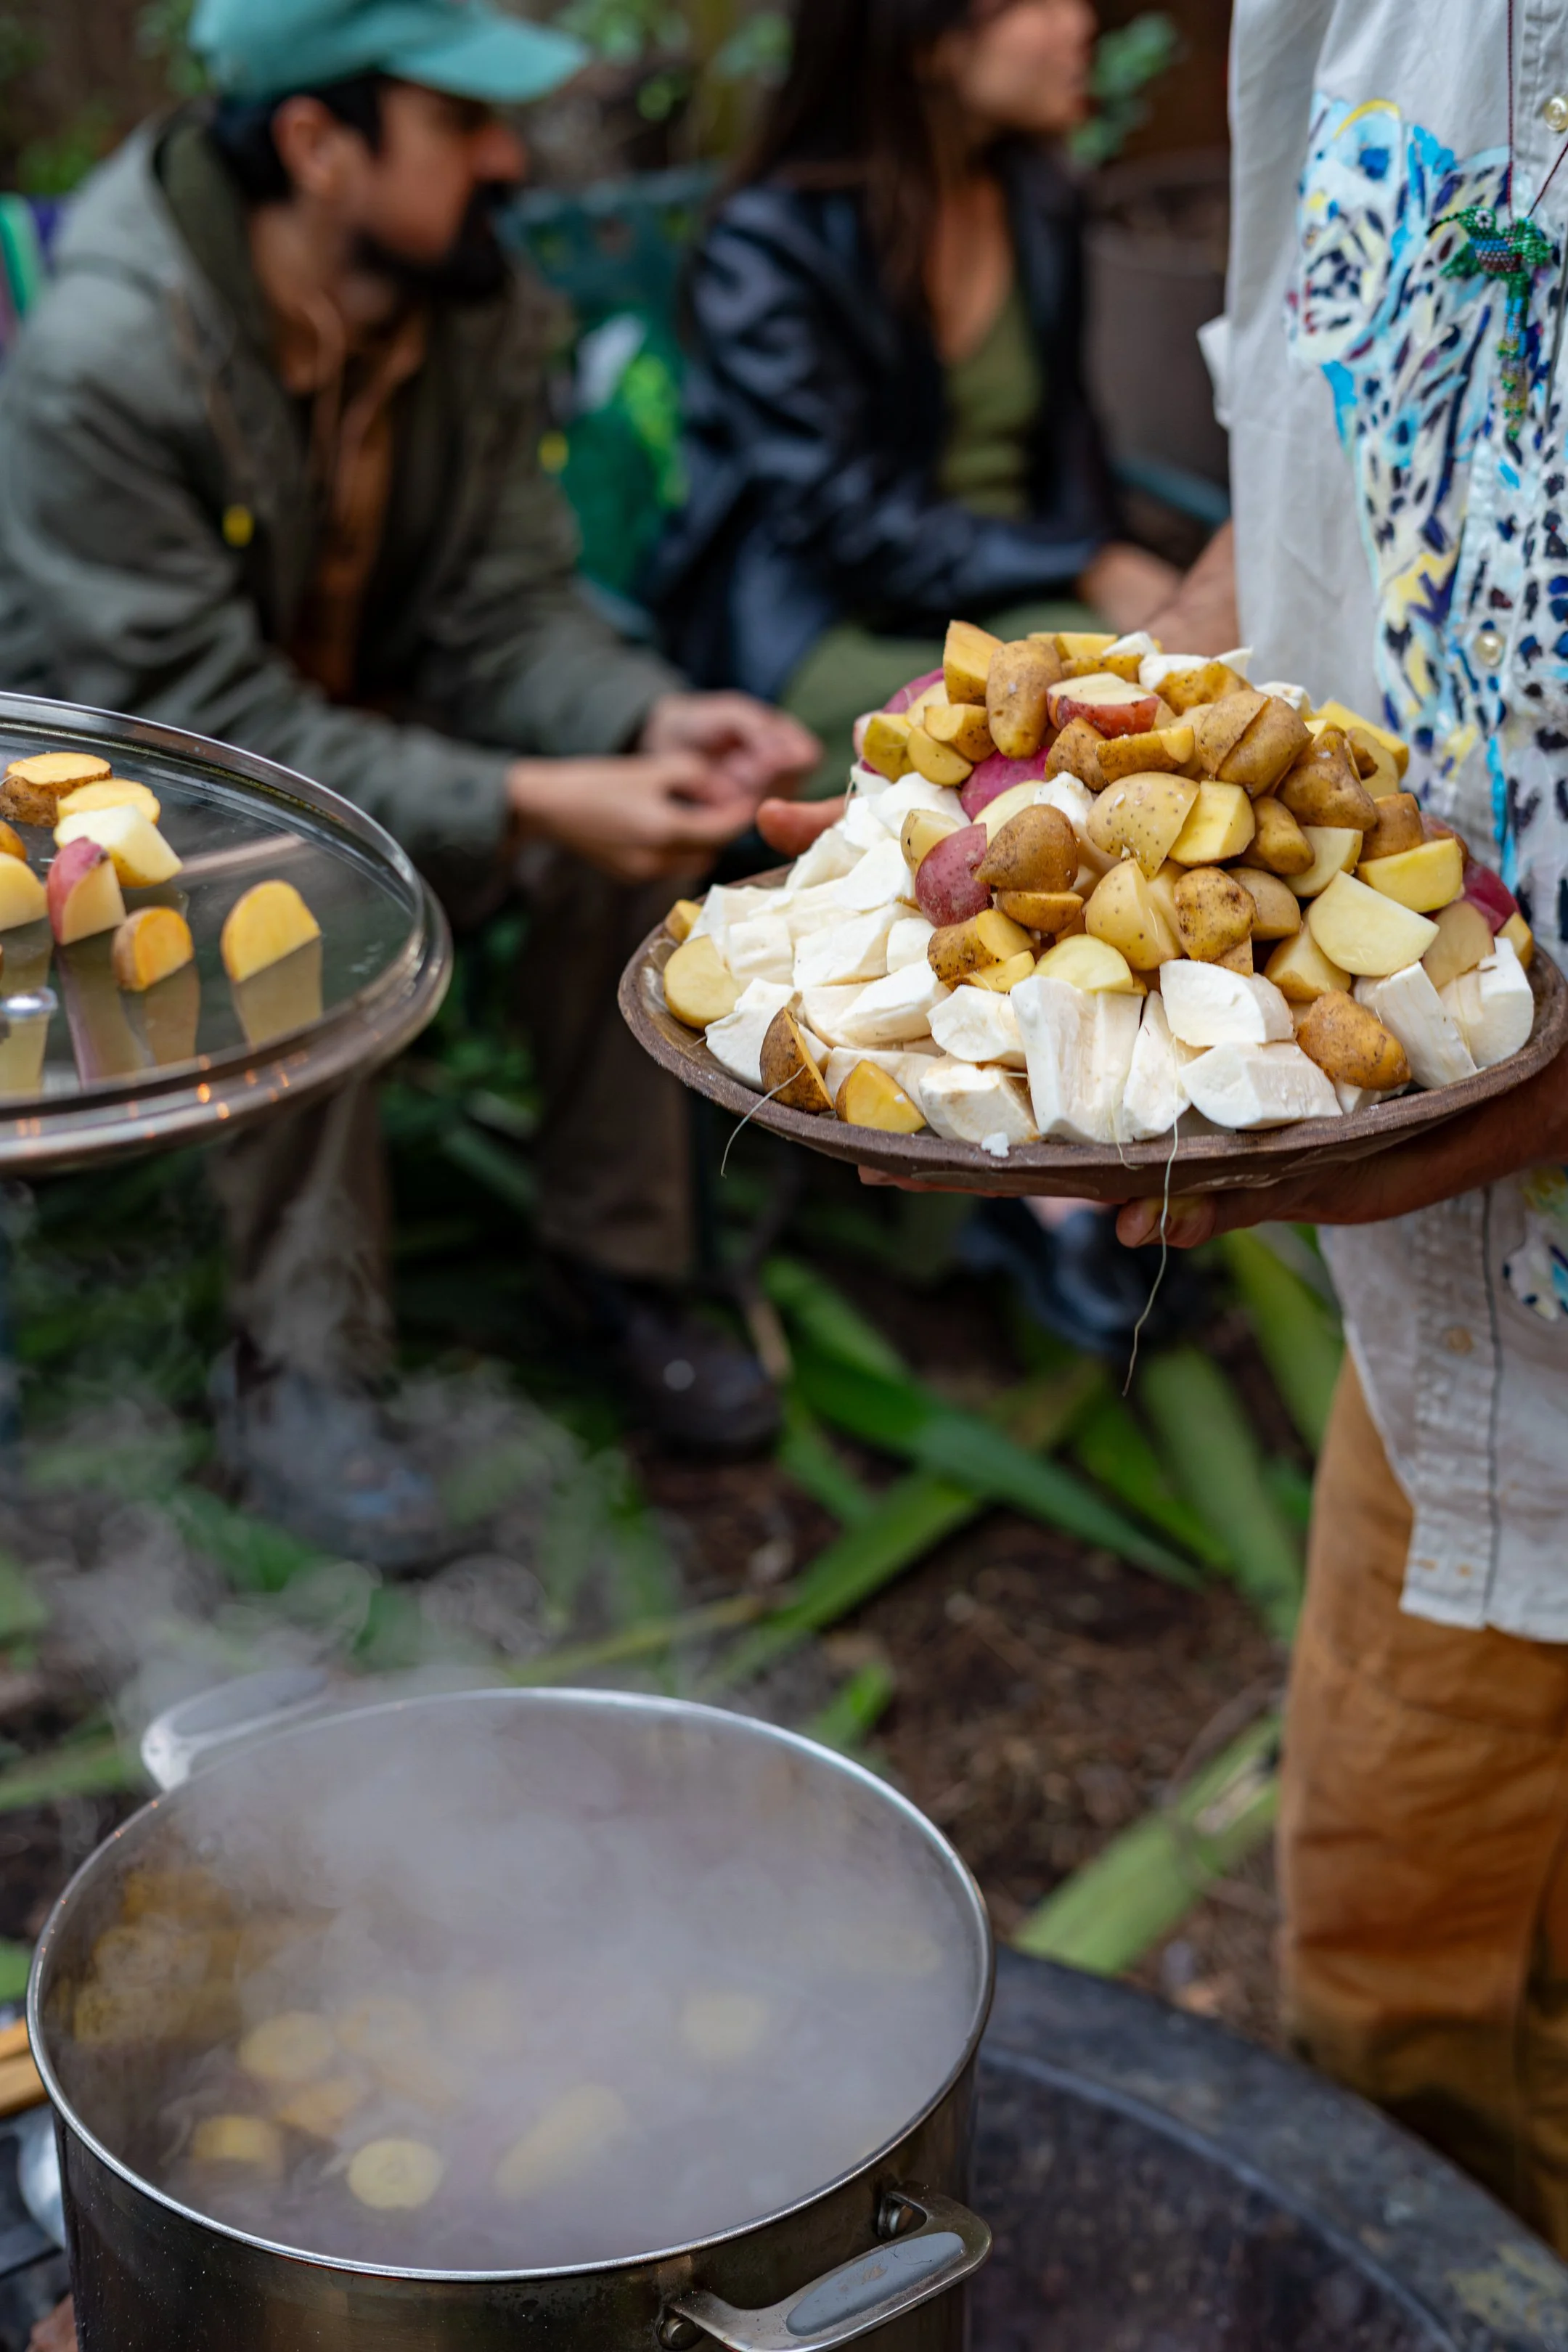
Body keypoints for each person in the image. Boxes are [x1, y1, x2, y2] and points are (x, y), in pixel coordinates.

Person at [762, 0, 1568, 2255]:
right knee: (1406, 2010)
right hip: (1455, 1350)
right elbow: (1317, 478)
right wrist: (1102, 726)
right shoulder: (1350, 16)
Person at [0, 0, 819, 1559]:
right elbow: (188, 733)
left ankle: (615, 1268)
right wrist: (518, 798)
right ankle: (296, 1371)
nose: (511, 157)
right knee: (293, 902)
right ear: (317, 143)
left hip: (372, 745)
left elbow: (506, 607)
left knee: (633, 850)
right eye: (462, 120)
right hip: (125, 825)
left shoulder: (467, 300)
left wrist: (643, 721)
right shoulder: (111, 359)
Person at [650, 0, 1178, 797]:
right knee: (1036, 768)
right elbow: (846, 521)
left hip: (1014, 587)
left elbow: (1070, 432)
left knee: (1182, 701)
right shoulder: (769, 247)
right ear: (929, 43)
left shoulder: (1037, 200)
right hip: (830, 620)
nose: (1079, 21)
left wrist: (1114, 572)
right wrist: (1089, 561)